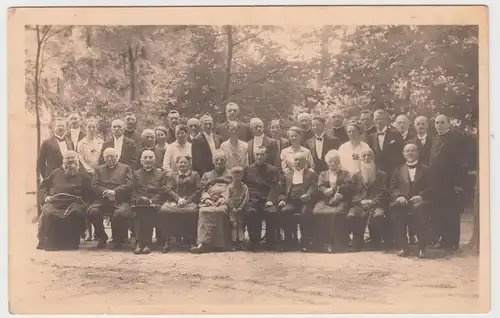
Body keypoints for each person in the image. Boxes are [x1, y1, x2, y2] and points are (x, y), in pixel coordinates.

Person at [37, 151, 91, 251]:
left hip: (74, 203)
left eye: (72, 159)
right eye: (67, 159)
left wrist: (85, 204)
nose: (70, 161)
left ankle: (69, 242)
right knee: (49, 213)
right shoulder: (56, 172)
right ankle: (51, 242)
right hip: (55, 202)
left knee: (76, 213)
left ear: (77, 161)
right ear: (63, 161)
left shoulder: (83, 175)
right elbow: (43, 186)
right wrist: (45, 197)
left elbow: (89, 193)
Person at [429, 114, 467, 251]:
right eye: (437, 123)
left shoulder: (456, 139)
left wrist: (459, 183)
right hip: (437, 183)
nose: (439, 125)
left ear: (448, 123)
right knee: (440, 212)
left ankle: (452, 242)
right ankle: (443, 240)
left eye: (442, 122)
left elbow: (461, 163)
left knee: (452, 212)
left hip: (451, 182)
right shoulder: (434, 139)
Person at [389, 143, 433, 258]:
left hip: (421, 202)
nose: (410, 153)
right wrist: (398, 196)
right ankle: (403, 246)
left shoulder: (426, 169)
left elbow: (432, 187)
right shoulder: (398, 170)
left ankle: (422, 247)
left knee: (419, 208)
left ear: (417, 153)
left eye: (412, 150)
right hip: (404, 202)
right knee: (394, 207)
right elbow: (393, 187)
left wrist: (421, 196)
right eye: (407, 151)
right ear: (403, 154)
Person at [88, 148, 133, 249]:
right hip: (102, 200)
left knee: (120, 213)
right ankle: (101, 236)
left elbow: (129, 184)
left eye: (112, 156)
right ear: (103, 158)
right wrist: (106, 192)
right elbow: (94, 185)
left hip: (119, 200)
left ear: (117, 157)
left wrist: (115, 192)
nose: (109, 159)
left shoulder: (126, 168)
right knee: (93, 212)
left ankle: (117, 239)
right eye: (107, 157)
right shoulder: (98, 169)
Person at [191, 150, 233, 254]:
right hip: (209, 199)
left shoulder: (231, 174)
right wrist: (206, 198)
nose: (219, 162)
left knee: (220, 211)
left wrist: (224, 197)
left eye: (222, 160)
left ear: (226, 161)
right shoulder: (207, 175)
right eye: (216, 160)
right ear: (213, 161)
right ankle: (202, 243)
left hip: (223, 200)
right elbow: (202, 189)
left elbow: (233, 188)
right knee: (203, 211)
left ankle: (220, 244)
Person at [312, 150, 354, 252]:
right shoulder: (323, 173)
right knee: (317, 212)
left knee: (337, 214)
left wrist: (335, 190)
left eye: (335, 161)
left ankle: (338, 243)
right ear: (327, 162)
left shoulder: (345, 173)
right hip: (326, 200)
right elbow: (320, 186)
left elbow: (348, 185)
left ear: (339, 162)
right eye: (330, 161)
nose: (333, 164)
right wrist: (326, 192)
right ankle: (322, 243)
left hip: (341, 199)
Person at [243, 146, 282, 251]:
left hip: (266, 199)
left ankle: (270, 242)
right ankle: (254, 243)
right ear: (254, 155)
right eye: (257, 154)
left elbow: (275, 187)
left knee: (272, 212)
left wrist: (270, 200)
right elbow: (244, 186)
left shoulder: (272, 170)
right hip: (252, 199)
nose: (259, 157)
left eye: (262, 155)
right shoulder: (247, 169)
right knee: (251, 212)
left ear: (266, 156)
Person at [278, 152, 318, 252]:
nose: (298, 162)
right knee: (285, 211)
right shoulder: (288, 174)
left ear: (306, 162)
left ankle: (305, 243)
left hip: (305, 202)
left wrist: (308, 195)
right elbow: (281, 190)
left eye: (301, 160)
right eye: (296, 160)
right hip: (291, 202)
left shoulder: (311, 173)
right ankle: (289, 241)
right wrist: (282, 200)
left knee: (305, 213)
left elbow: (314, 187)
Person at [160, 155, 201, 252]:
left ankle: (191, 240)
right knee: (164, 210)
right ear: (176, 164)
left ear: (189, 164)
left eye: (185, 162)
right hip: (174, 202)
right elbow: (168, 189)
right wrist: (178, 199)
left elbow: (199, 190)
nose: (182, 164)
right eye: (180, 162)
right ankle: (167, 240)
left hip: (190, 202)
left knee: (191, 211)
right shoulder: (172, 175)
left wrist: (187, 201)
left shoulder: (195, 175)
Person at [350, 149, 389, 250]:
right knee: (353, 215)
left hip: (376, 204)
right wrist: (360, 201)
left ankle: (375, 241)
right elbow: (352, 192)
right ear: (360, 158)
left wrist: (373, 201)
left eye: (369, 156)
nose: (366, 158)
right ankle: (358, 240)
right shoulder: (356, 175)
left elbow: (384, 191)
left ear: (373, 158)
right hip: (360, 204)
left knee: (378, 215)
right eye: (364, 156)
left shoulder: (382, 175)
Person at [130, 150, 168, 254]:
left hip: (155, 204)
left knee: (146, 210)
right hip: (139, 203)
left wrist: (151, 201)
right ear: (141, 161)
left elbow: (163, 191)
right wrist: (139, 200)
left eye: (150, 158)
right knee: (142, 208)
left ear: (155, 161)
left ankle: (141, 243)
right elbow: (133, 190)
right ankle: (145, 243)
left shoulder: (161, 174)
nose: (148, 160)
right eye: (145, 158)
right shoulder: (136, 173)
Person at [76, 117, 103, 241]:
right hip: (86, 175)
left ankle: (99, 232)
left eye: (93, 127)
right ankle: (88, 231)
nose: (91, 129)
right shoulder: (81, 143)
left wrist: (97, 171)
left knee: (97, 202)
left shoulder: (100, 142)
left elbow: (102, 158)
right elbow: (80, 159)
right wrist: (88, 169)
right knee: (87, 202)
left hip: (98, 175)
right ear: (85, 128)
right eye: (89, 127)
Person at [367, 109, 405, 176]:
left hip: (393, 173)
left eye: (381, 119)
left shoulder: (395, 134)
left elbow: (402, 153)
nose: (379, 121)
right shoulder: (371, 137)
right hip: (378, 174)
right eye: (376, 119)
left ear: (386, 120)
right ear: (373, 121)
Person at [225, 166, 249, 250]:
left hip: (240, 209)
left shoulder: (244, 187)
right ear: (231, 175)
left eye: (239, 176)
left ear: (242, 175)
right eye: (235, 176)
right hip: (232, 210)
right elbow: (227, 198)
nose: (237, 178)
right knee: (234, 225)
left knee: (240, 225)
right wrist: (232, 208)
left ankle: (241, 241)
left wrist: (241, 208)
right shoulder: (230, 187)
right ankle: (234, 242)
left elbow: (246, 198)